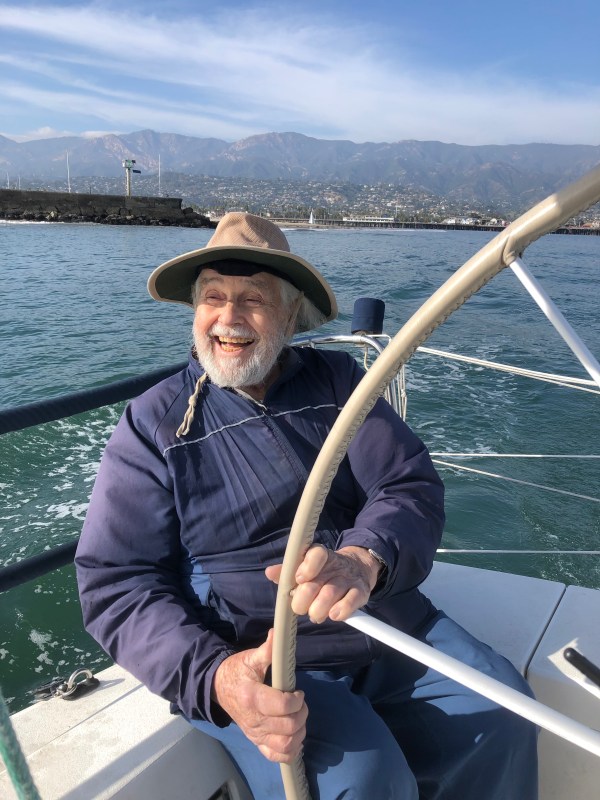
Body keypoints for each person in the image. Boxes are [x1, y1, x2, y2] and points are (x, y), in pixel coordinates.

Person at [75, 212, 538, 799]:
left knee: (505, 714)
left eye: (254, 299)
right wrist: (216, 676)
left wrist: (365, 558)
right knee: (363, 780)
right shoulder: (154, 424)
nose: (229, 318)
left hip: (386, 618)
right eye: (213, 297)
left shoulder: (339, 382)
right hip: (260, 655)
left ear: (291, 316)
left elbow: (407, 484)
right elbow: (117, 580)